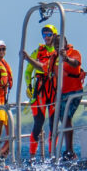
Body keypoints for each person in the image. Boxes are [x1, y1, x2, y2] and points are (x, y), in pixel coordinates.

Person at [26, 24, 61, 158]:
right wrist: (28, 85)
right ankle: (32, 158)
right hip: (39, 91)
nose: (46, 37)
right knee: (38, 123)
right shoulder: (38, 52)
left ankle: (52, 156)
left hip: (53, 92)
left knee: (54, 125)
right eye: (44, 35)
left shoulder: (59, 52)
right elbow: (28, 71)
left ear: (54, 35)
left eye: (49, 34)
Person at [55, 39, 87, 160]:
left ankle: (70, 151)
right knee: (63, 118)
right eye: (55, 45)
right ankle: (66, 151)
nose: (58, 46)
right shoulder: (54, 58)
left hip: (74, 91)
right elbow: (44, 68)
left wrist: (66, 58)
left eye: (59, 44)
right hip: (62, 93)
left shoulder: (74, 53)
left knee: (67, 117)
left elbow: (76, 64)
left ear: (65, 43)